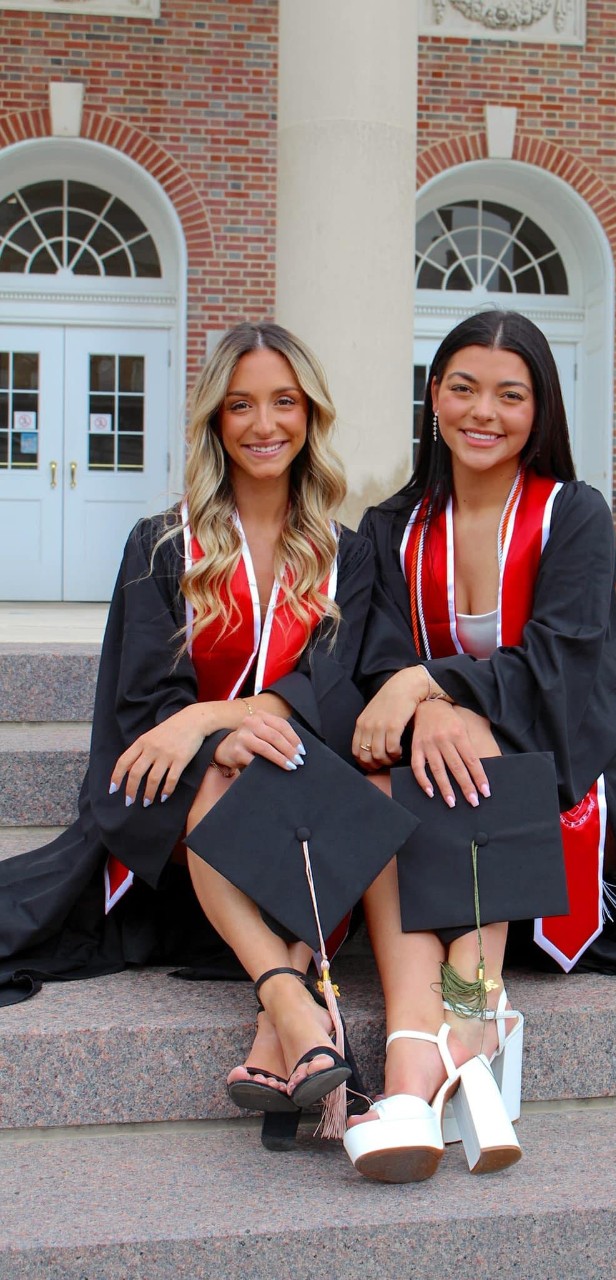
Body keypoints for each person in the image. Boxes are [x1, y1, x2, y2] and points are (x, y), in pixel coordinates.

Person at [0, 322, 375, 1140]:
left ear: (310, 414)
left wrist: (218, 715)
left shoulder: (347, 555)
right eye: (240, 405)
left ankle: (281, 1030)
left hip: (298, 781)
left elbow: (337, 688)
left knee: (306, 782)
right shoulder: (164, 544)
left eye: (283, 402)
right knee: (222, 773)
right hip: (181, 808)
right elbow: (144, 703)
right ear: (214, 420)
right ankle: (290, 1000)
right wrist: (212, 740)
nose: (263, 424)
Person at [344, 309, 616, 1182]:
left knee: (464, 751)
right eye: (463, 388)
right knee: (385, 780)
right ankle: (435, 1041)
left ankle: (457, 1025)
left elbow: (564, 660)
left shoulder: (570, 514)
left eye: (510, 395)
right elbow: (377, 657)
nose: (483, 412)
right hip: (433, 746)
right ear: (433, 395)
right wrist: (426, 702)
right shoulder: (391, 526)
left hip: (581, 736)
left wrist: (436, 691)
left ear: (539, 411)